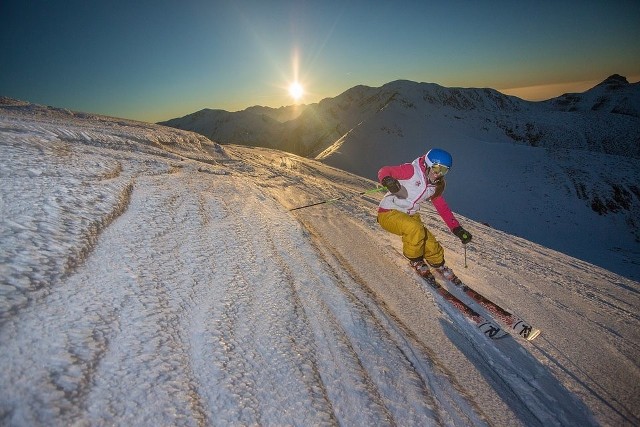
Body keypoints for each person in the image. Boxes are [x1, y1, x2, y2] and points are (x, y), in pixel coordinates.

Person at [377, 148, 472, 279]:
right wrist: (387, 179)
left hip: (410, 216)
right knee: (415, 229)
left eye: (444, 170)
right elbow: (385, 170)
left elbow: (443, 209)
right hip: (388, 213)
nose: (438, 174)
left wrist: (457, 229)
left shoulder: (434, 186)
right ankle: (415, 260)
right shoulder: (412, 171)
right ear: (427, 163)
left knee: (429, 242)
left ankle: (438, 264)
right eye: (437, 168)